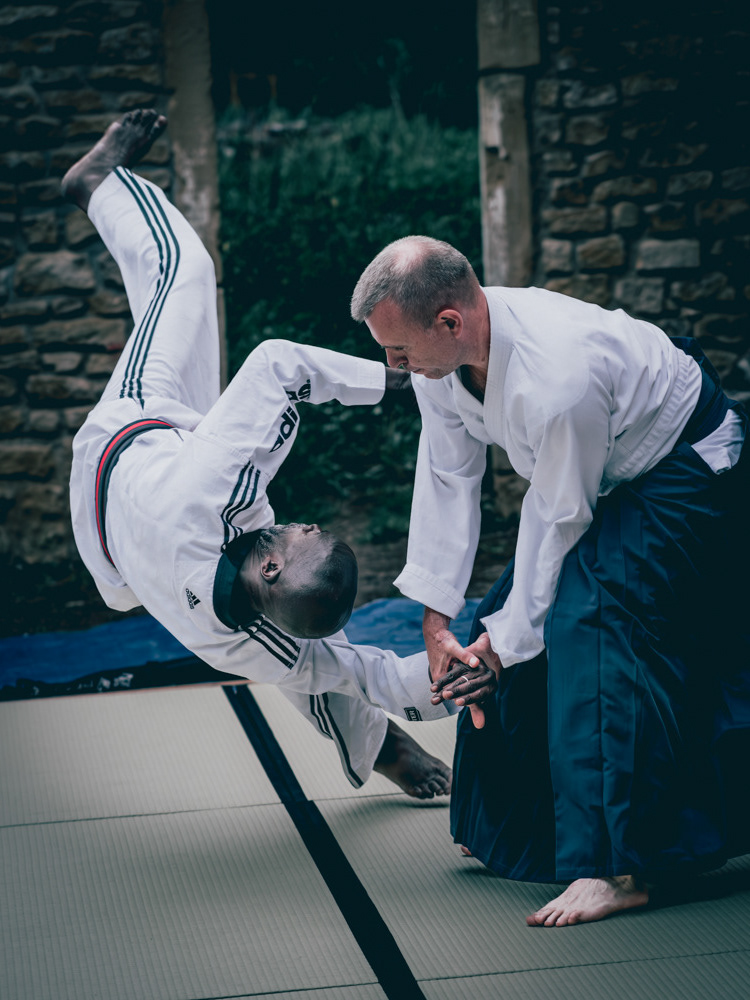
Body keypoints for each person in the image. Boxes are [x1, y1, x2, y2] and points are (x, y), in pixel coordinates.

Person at [63, 111, 472, 800]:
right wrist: (466, 678)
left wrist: (399, 379)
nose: (309, 523)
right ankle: (384, 748)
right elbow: (367, 672)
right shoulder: (254, 643)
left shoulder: (213, 488)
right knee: (320, 659)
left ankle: (97, 183)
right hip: (121, 563)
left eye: (311, 535)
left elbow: (279, 364)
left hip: (130, 436)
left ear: (275, 563)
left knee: (183, 271)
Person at [350, 234, 750, 924]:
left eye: (399, 350)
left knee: (591, 621)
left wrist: (503, 647)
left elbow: (561, 515)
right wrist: (438, 620)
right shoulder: (441, 365)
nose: (393, 365)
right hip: (599, 472)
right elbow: (448, 475)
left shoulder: (557, 375)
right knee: (501, 615)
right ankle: (520, 828)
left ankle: (618, 865)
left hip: (682, 466)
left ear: (449, 321)